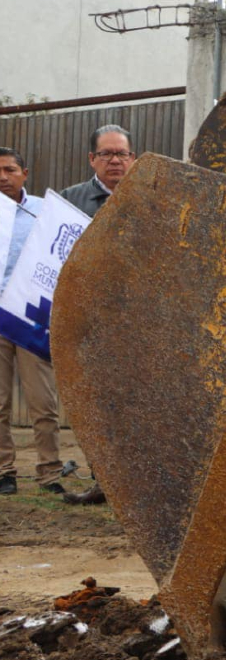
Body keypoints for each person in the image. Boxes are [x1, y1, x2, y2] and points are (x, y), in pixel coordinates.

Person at [62, 124, 136, 506]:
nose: (115, 161)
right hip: (91, 321)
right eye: (106, 154)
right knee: (95, 402)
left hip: (141, 321)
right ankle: (102, 482)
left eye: (121, 154)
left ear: (133, 158)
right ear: (92, 159)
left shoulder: (151, 197)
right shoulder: (70, 202)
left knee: (139, 402)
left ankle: (138, 485)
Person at [0, 148, 63, 497]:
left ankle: (50, 472)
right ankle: (4, 472)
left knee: (43, 403)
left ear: (25, 173)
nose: (2, 177)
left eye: (10, 170)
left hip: (31, 318)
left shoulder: (44, 211)